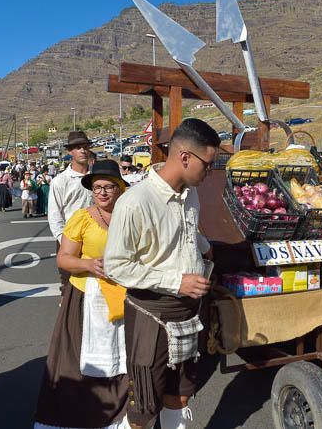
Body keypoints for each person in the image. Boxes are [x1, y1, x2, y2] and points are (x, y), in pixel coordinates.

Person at [105, 119, 219, 429]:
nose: (209, 173)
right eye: (207, 165)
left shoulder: (190, 194)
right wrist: (176, 281)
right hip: (151, 314)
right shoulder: (134, 202)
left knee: (179, 395)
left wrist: (204, 247)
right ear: (185, 157)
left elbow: (188, 232)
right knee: (144, 407)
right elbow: (116, 265)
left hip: (188, 311)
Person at [34, 160, 129, 428]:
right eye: (97, 187)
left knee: (122, 357)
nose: (102, 192)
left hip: (124, 297)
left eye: (109, 186)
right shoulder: (82, 218)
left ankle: (119, 417)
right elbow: (63, 259)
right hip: (86, 298)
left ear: (120, 188)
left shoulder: (130, 215)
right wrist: (89, 264)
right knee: (78, 363)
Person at [48, 131, 93, 287]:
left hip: (96, 238)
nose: (82, 151)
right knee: (69, 286)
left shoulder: (98, 178)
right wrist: (65, 241)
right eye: (78, 147)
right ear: (70, 151)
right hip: (70, 239)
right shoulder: (60, 181)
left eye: (85, 147)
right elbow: (55, 216)